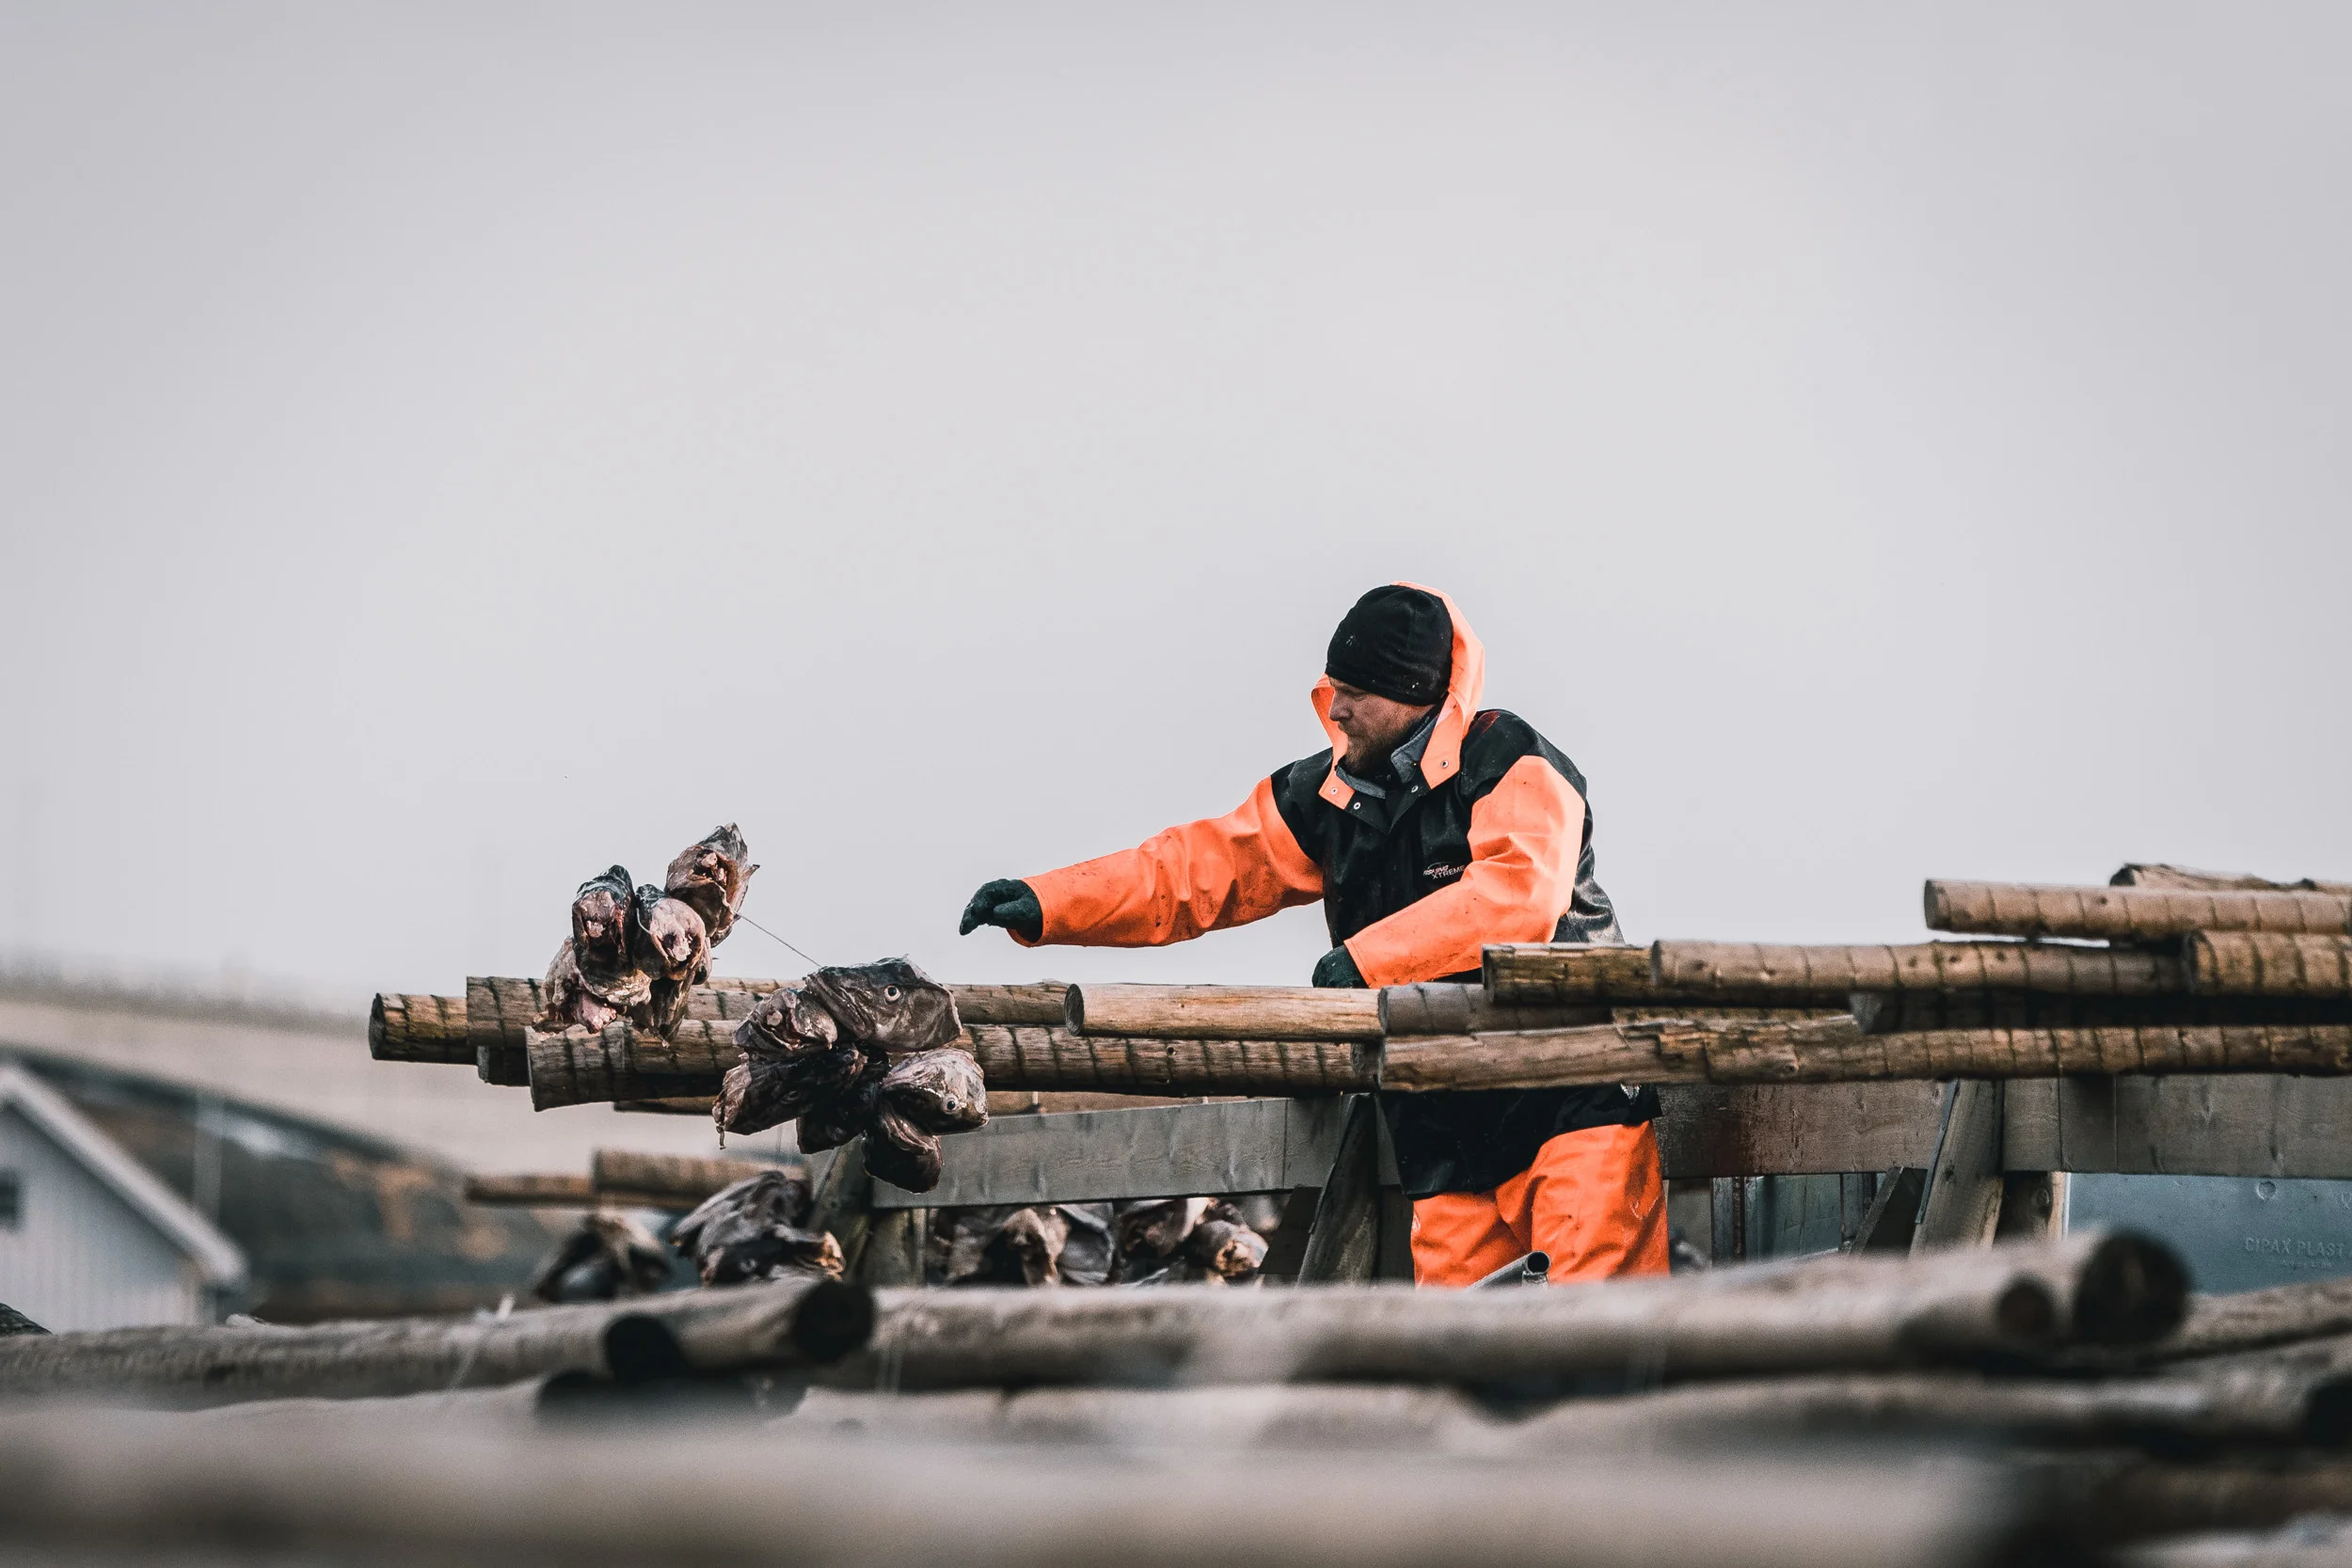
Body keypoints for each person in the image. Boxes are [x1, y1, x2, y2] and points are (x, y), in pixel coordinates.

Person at [958, 583, 1667, 1286]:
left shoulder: (1510, 759)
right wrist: (1049, 903)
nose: (1337, 706)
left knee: (1602, 1339)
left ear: (1415, 694)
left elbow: (1521, 895)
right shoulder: (1324, 795)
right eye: (1333, 685)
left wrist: (1363, 963)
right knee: (1463, 1366)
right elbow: (1198, 870)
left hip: (1573, 1102)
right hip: (1441, 1131)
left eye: (1356, 690)